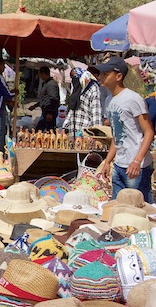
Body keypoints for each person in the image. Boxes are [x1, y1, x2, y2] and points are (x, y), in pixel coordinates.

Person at [95, 57, 155, 202]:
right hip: (119, 165)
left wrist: (137, 161)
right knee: (119, 211)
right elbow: (118, 134)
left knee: (138, 210)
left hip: (136, 168)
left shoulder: (133, 99)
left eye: (105, 73)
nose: (100, 77)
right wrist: (108, 162)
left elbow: (149, 132)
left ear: (118, 76)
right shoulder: (109, 100)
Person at [63, 68, 102, 135]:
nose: (73, 80)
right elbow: (72, 110)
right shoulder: (77, 89)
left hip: (86, 132)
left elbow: (96, 113)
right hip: (73, 130)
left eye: (75, 77)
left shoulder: (93, 89)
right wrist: (65, 126)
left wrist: (96, 133)